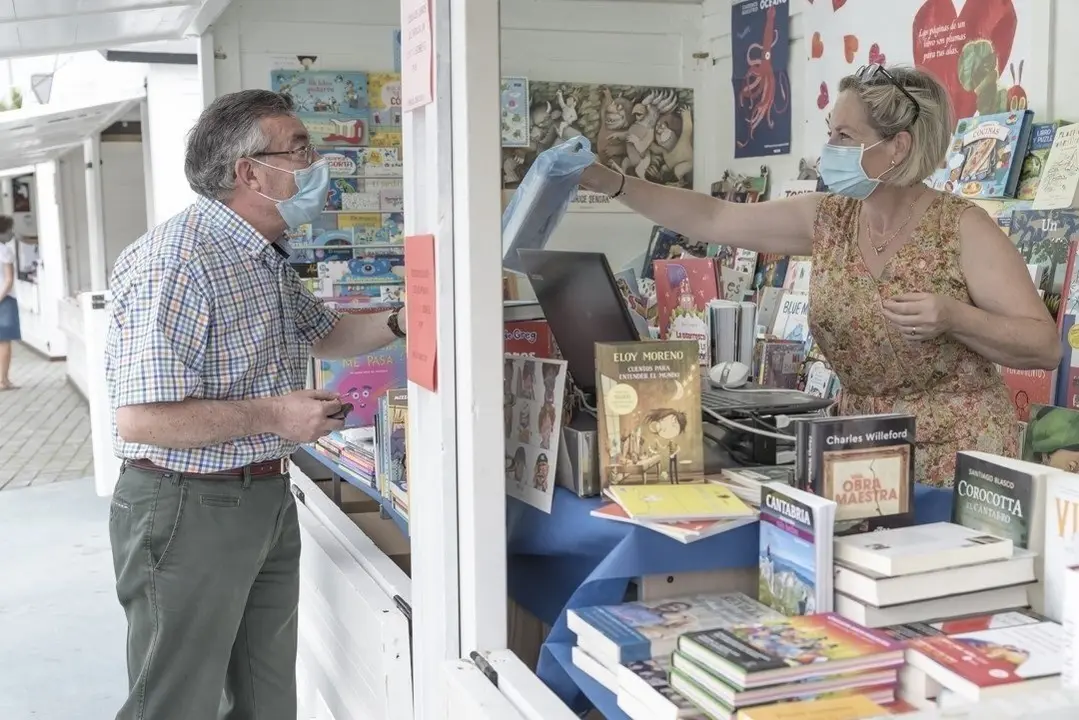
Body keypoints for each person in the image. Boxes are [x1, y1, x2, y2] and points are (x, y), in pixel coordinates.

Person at [580, 64, 1061, 488]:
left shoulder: (962, 228)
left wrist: (956, 317)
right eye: (831, 132)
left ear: (897, 146)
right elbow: (713, 219)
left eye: (844, 137)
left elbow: (1046, 347)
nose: (829, 148)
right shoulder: (830, 217)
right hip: (860, 456)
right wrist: (613, 182)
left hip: (956, 464)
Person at [105, 90, 407, 720]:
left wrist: (414, 318)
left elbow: (330, 334)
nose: (318, 162)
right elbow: (141, 418)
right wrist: (275, 414)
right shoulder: (180, 261)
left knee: (267, 698)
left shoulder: (262, 255)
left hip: (263, 496)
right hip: (187, 504)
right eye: (300, 148)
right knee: (175, 702)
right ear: (249, 172)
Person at [0, 215, 17, 390]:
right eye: (9, 229)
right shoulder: (4, 251)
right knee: (4, 342)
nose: (12, 233)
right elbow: (8, 279)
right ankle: (3, 380)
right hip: (4, 300)